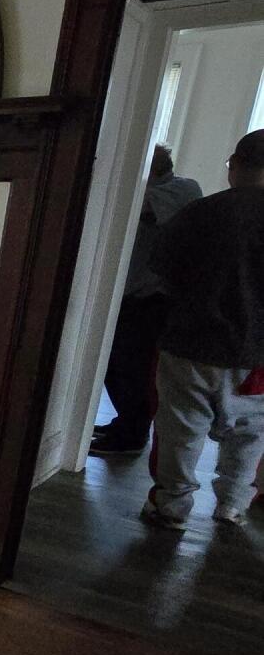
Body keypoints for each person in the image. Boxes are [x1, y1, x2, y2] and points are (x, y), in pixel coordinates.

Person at [141, 129, 264, 529]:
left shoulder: (202, 212)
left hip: (191, 341)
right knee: (249, 435)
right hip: (259, 356)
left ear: (236, 166)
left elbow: (161, 269)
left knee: (180, 428)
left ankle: (171, 506)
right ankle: (232, 505)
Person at [91, 144, 201, 456]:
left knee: (133, 370)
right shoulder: (154, 190)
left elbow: (135, 207)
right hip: (126, 296)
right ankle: (124, 424)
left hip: (151, 301)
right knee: (114, 365)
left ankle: (132, 434)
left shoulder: (183, 189)